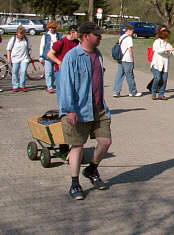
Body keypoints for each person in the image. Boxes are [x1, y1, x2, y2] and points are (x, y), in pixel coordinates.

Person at [56, 22, 111, 200]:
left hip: (98, 108)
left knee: (105, 142)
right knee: (77, 146)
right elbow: (65, 85)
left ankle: (91, 169)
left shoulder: (98, 54)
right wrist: (69, 109)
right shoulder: (72, 57)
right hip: (78, 109)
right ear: (86, 36)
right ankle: (75, 184)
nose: (100, 37)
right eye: (97, 34)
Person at [113, 25, 142, 97]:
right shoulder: (129, 38)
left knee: (119, 75)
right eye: (132, 31)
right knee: (129, 75)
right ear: (129, 30)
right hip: (127, 59)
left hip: (120, 58)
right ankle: (133, 91)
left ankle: (116, 91)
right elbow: (130, 50)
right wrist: (132, 59)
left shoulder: (121, 37)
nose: (133, 32)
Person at [150, 25, 174, 100]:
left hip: (165, 65)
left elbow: (170, 54)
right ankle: (153, 92)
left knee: (164, 80)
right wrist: (165, 50)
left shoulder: (168, 44)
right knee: (157, 78)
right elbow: (157, 50)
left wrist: (170, 51)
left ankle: (161, 94)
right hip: (156, 64)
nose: (166, 39)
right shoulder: (157, 42)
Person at [6, 26, 31, 92]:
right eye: (20, 33)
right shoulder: (13, 39)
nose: (21, 35)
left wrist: (29, 55)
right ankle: (15, 86)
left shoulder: (26, 39)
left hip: (24, 58)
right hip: (15, 59)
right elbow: (8, 49)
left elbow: (29, 48)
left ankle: (22, 85)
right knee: (15, 72)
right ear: (17, 33)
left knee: (23, 71)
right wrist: (9, 58)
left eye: (22, 33)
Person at [39, 21, 61, 93]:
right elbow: (42, 46)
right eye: (50, 27)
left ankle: (51, 84)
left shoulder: (59, 36)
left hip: (56, 57)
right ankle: (49, 87)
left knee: (55, 73)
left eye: (53, 28)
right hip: (47, 56)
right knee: (48, 72)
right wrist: (41, 56)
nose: (51, 29)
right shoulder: (45, 36)